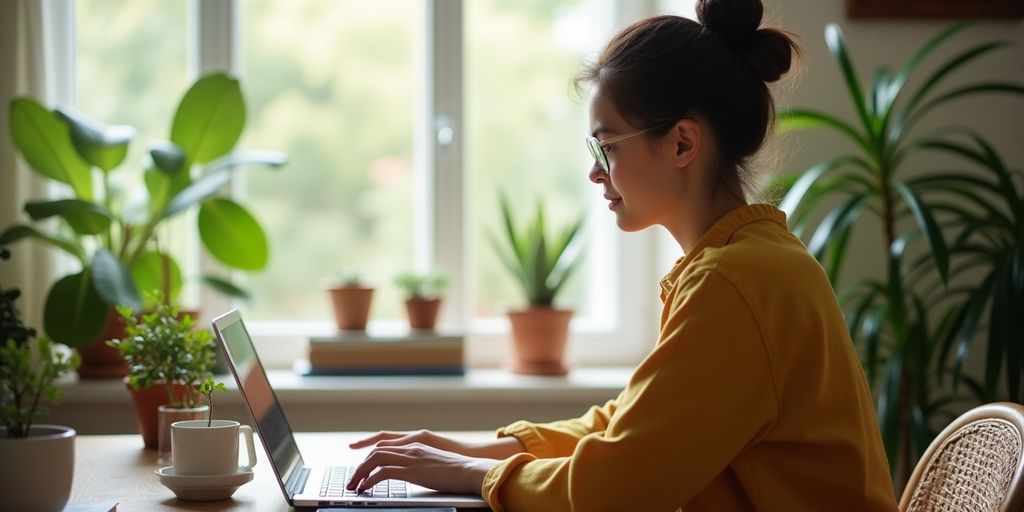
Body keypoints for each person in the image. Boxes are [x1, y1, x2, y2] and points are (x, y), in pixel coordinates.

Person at [346, 0, 899, 510]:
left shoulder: (736, 280)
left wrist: (474, 474)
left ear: (683, 143)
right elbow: (633, 426)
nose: (595, 170)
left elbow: (616, 486)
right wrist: (476, 452)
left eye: (607, 146)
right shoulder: (748, 259)